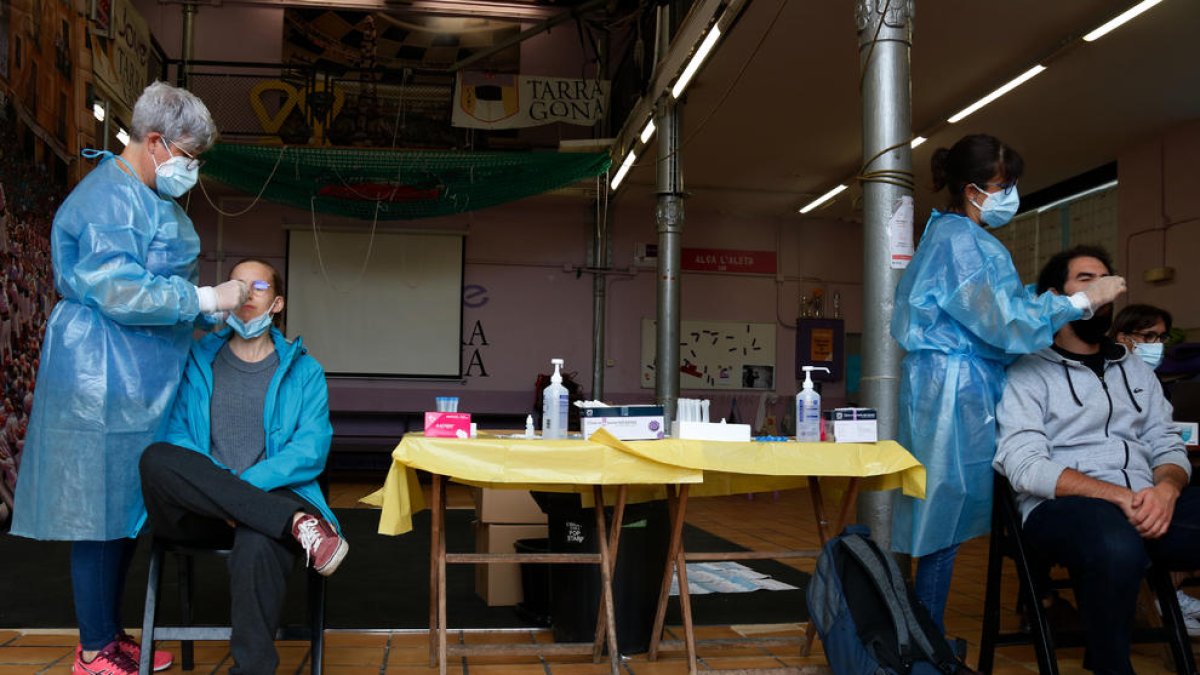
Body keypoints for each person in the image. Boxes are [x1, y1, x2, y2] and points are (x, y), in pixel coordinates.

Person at [10, 82, 250, 675]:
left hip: (138, 375)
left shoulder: (148, 198)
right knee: (96, 513)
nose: (191, 169)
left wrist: (206, 315)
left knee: (122, 510)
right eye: (189, 156)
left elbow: (159, 287)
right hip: (98, 373)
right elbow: (118, 287)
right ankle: (93, 649)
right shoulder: (105, 199)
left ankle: (110, 638)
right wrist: (201, 297)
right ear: (154, 142)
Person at [889, 134, 1127, 632]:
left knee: (939, 515)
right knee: (941, 521)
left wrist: (1043, 305)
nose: (1010, 195)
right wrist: (1078, 303)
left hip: (957, 381)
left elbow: (1000, 309)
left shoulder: (960, 238)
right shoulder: (959, 240)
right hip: (955, 388)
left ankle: (920, 634)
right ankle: (922, 642)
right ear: (973, 188)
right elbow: (1001, 319)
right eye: (1004, 185)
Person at [994, 246, 1199, 674]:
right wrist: (1117, 496)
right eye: (1086, 280)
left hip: (1146, 501)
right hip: (1062, 507)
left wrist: (1166, 488)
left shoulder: (1136, 371)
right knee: (1113, 544)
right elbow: (1025, 465)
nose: (1101, 289)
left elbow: (1167, 443)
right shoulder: (1026, 372)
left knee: (1127, 537)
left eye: (1107, 279)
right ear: (1056, 296)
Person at [139, 257, 348, 675]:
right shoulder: (196, 359)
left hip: (264, 507)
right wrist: (220, 491)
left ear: (277, 304)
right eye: (237, 284)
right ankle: (295, 524)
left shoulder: (305, 371)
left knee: (257, 538)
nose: (247, 294)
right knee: (156, 457)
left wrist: (241, 494)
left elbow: (310, 449)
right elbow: (177, 434)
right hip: (200, 511)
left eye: (259, 286)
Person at [1111, 303, 1173, 370]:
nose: (1159, 343)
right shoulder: (1106, 376)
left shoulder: (1152, 376)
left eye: (1162, 337)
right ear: (1123, 338)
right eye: (1149, 336)